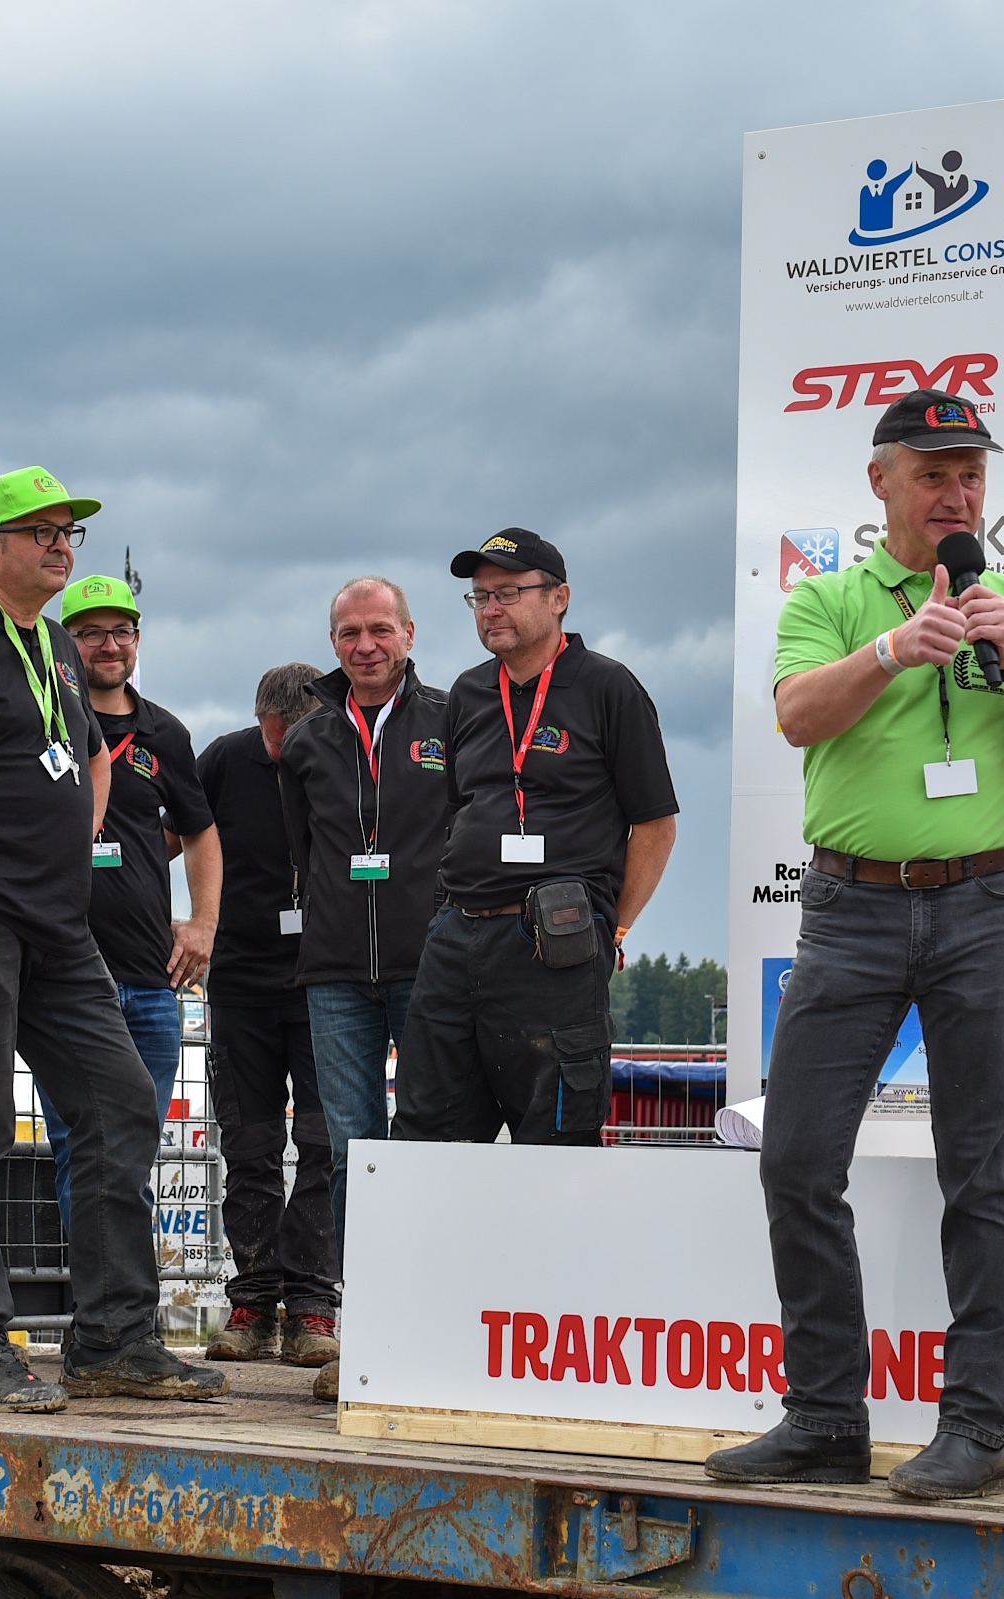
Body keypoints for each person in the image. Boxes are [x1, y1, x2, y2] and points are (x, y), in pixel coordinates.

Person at [704, 390, 1004, 1500]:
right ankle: (826, 1418)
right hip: (851, 908)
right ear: (879, 482)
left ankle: (974, 1427)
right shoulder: (826, 599)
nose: (955, 493)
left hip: (983, 905)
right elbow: (796, 715)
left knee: (981, 1170)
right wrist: (889, 649)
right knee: (795, 1159)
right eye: (932, 473)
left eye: (970, 473)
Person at [0, 465, 225, 1411]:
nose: (61, 544)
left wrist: (74, 841)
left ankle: (112, 1338)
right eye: (41, 530)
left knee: (121, 1100)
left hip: (58, 928)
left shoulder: (58, 646)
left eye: (70, 530)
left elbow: (94, 759)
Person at [393, 530, 677, 1146]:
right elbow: (456, 811)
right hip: (458, 935)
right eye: (480, 597)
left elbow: (656, 824)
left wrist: (613, 928)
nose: (491, 609)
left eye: (508, 593)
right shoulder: (468, 692)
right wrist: (444, 915)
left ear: (559, 598)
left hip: (555, 940)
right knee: (425, 1131)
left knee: (555, 1138)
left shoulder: (608, 688)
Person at [278, 579, 450, 1341]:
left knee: (426, 1142)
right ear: (333, 643)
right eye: (350, 633)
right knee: (351, 1150)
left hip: (430, 965)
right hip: (335, 971)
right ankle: (374, 1322)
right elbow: (303, 848)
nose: (366, 646)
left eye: (380, 629)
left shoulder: (451, 719)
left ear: (409, 633)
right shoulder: (308, 738)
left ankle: (432, 1316)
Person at [48, 574, 221, 1228]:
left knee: (133, 1151)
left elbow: (200, 831)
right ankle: (95, 1286)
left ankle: (123, 1287)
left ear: (138, 639)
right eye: (91, 633)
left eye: (121, 631)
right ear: (65, 642)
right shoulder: (44, 718)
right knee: (79, 1147)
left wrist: (202, 924)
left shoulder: (164, 733)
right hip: (65, 976)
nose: (109, 645)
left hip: (151, 981)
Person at [194, 664, 339, 1383]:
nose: (282, 754)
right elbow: (179, 835)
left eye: (293, 741)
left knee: (322, 1145)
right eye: (273, 740)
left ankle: (313, 1305)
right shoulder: (225, 759)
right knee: (249, 1146)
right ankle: (252, 1301)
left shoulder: (342, 754)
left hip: (326, 983)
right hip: (242, 982)